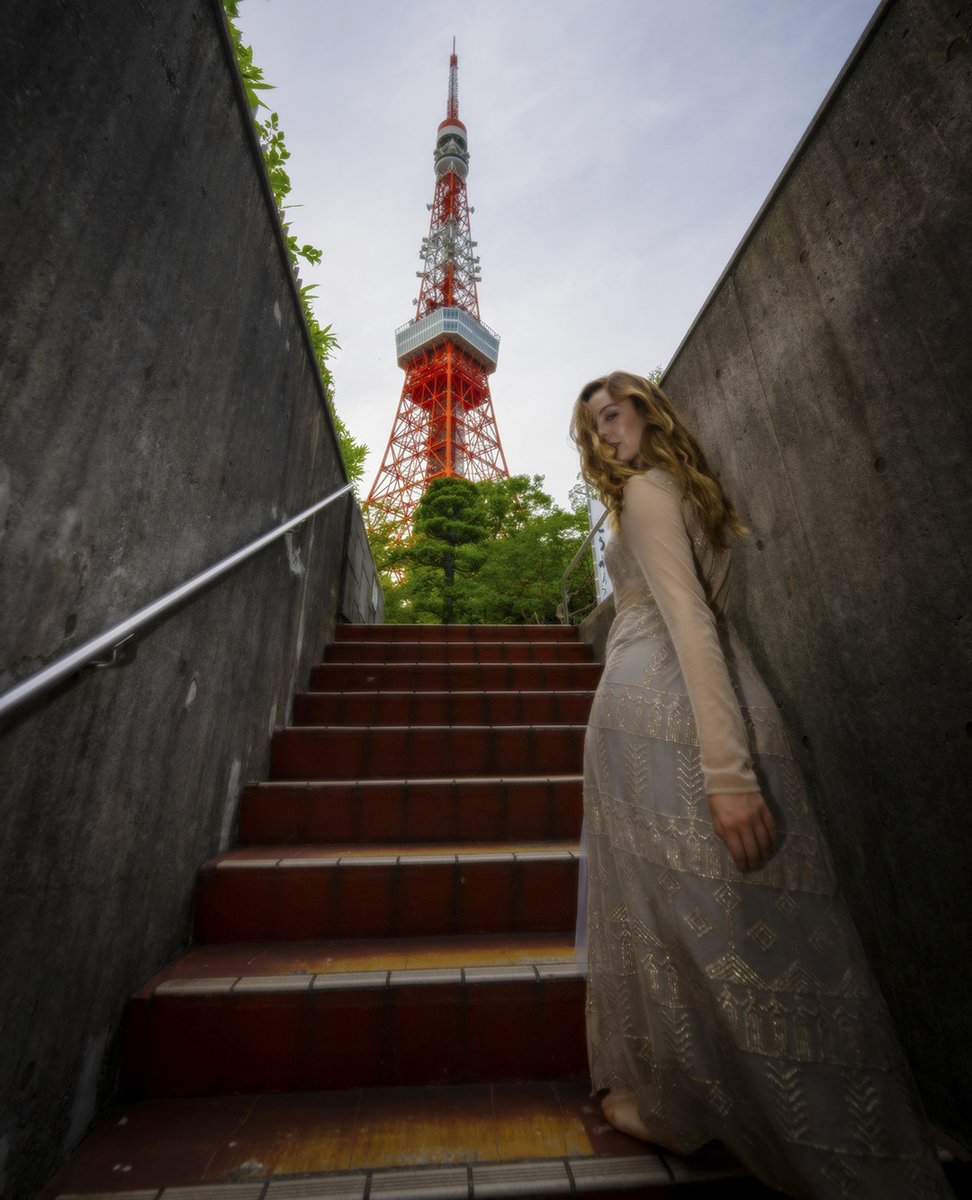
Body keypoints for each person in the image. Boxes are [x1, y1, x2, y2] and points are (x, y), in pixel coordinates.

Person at [570, 371, 952, 1199]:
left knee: (695, 925)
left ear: (647, 411)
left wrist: (726, 770)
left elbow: (688, 621)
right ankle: (831, 1113)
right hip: (690, 707)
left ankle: (705, 1109)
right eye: (592, 427)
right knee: (737, 925)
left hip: (658, 718)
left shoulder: (644, 494)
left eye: (612, 414)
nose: (603, 435)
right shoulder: (683, 490)